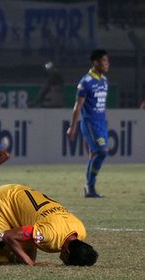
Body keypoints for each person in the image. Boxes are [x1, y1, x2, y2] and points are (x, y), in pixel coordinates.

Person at [0, 184, 99, 266]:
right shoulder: (48, 235)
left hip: (22, 208)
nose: (64, 263)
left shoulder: (80, 229)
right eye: (68, 262)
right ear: (67, 250)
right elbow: (9, 236)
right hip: (4, 201)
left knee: (17, 259)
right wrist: (31, 264)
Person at [67, 49, 110, 198]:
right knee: (102, 151)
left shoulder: (104, 80)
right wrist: (72, 127)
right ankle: (90, 185)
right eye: (104, 61)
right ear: (95, 62)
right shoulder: (86, 82)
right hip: (90, 123)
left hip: (102, 123)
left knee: (95, 154)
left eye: (107, 61)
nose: (107, 64)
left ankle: (90, 188)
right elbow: (77, 106)